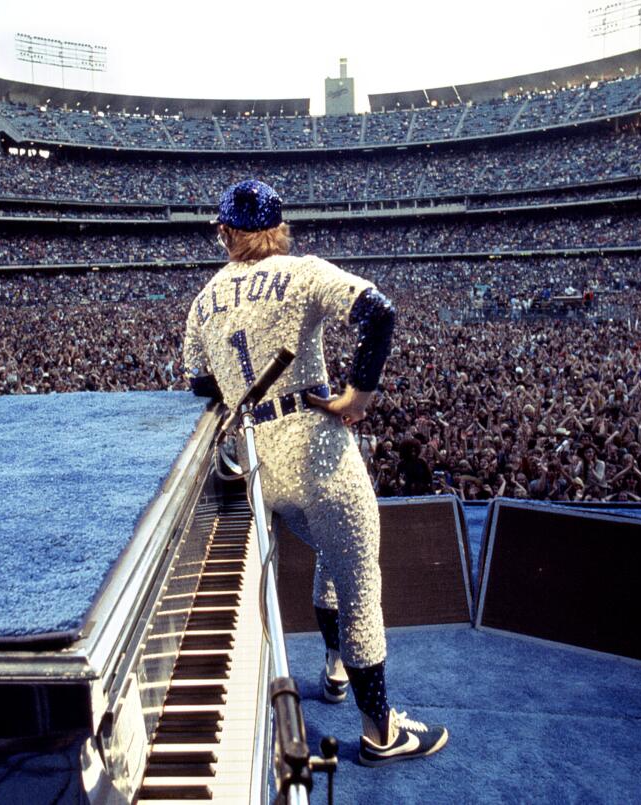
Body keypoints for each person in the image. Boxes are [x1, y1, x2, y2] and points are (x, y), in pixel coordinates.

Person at [182, 179, 448, 767]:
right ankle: (381, 731)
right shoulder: (302, 271)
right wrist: (359, 395)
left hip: (256, 463)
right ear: (279, 228)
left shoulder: (203, 299)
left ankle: (332, 669)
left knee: (329, 558)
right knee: (359, 585)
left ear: (226, 232)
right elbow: (379, 312)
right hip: (318, 453)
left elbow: (199, 385)